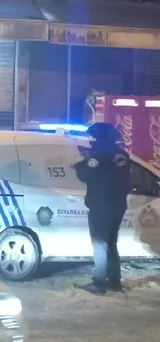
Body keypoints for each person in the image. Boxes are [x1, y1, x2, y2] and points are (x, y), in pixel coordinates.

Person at [73, 122, 131, 295]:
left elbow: (83, 175)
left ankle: (99, 283)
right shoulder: (122, 156)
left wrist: (80, 162)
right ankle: (114, 281)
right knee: (112, 244)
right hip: (118, 207)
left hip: (100, 207)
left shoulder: (95, 156)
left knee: (100, 245)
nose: (90, 140)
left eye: (92, 137)